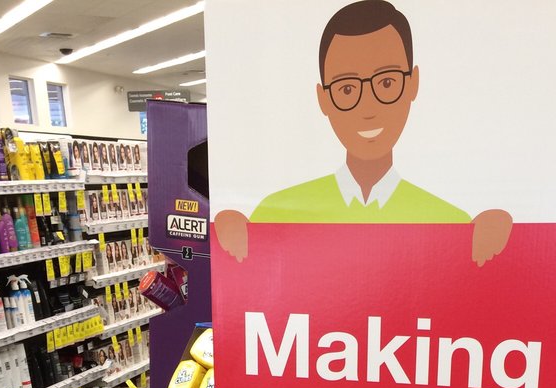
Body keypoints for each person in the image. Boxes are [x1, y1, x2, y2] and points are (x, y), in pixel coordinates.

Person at [215, 0, 511, 265]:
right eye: (346, 89)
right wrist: (234, 240)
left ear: (413, 83)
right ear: (323, 99)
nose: (368, 108)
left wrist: (509, 247)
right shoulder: (276, 213)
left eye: (386, 83)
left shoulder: (452, 224)